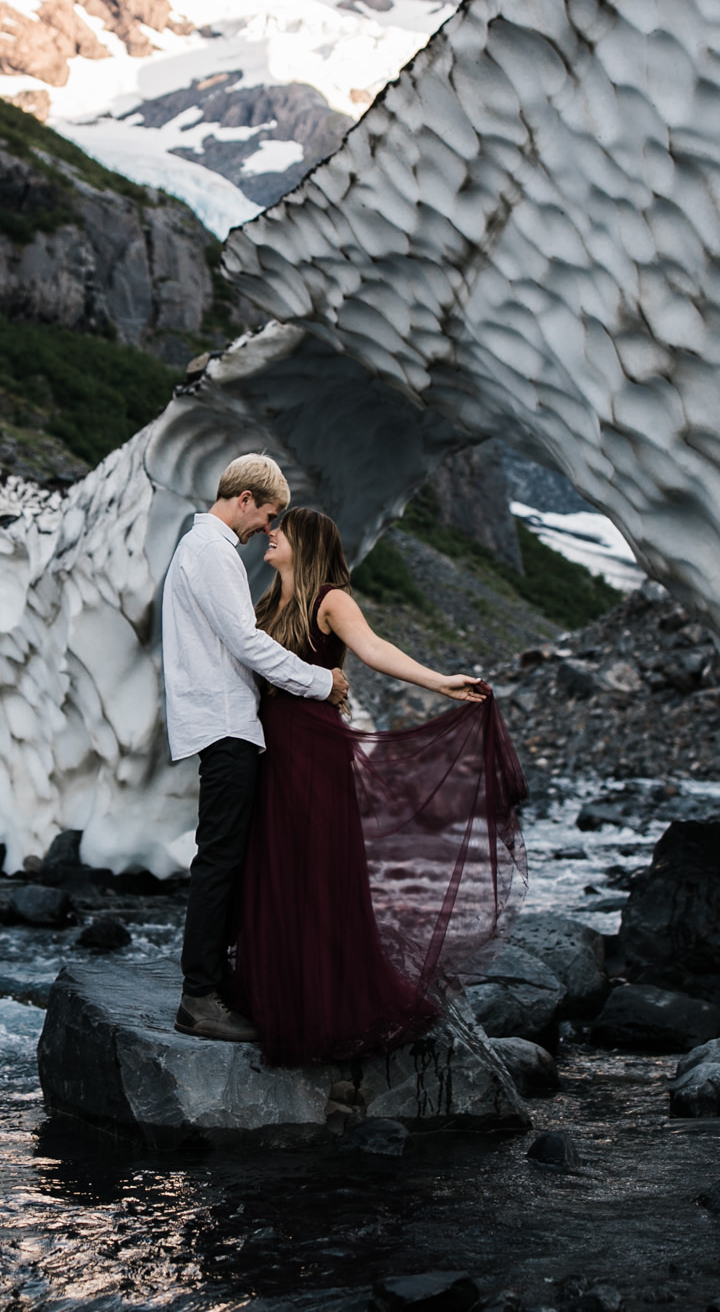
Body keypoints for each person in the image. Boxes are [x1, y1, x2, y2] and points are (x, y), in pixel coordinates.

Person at [231, 505, 527, 1066]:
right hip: (271, 748)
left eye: (280, 531)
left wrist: (440, 682)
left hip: (313, 751)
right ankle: (280, 995)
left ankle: (323, 1007)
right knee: (276, 867)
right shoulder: (268, 601)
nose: (269, 535)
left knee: (317, 869)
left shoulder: (330, 598)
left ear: (307, 542)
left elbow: (373, 650)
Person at [161, 453, 351, 1042]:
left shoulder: (202, 550)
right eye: (266, 515)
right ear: (243, 498)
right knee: (220, 857)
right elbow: (245, 640)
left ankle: (217, 982)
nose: (267, 530)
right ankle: (200, 995)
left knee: (226, 854)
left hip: (221, 720)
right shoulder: (213, 551)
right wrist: (321, 682)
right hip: (224, 723)